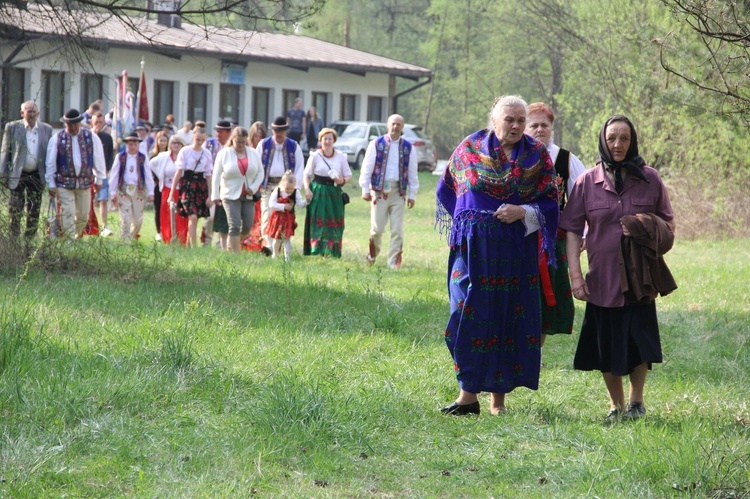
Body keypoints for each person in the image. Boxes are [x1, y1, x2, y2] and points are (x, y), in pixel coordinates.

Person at [435, 95, 559, 416]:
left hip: (513, 252)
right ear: (494, 120)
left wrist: (522, 211)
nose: (516, 126)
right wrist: (469, 223)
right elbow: (448, 188)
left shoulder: (537, 156)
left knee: (506, 318)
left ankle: (491, 401)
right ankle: (469, 390)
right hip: (473, 252)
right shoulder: (469, 148)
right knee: (464, 314)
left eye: (521, 120)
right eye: (510, 120)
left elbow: (550, 201)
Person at [559, 114, 676, 421]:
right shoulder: (587, 182)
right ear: (603, 140)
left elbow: (669, 223)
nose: (618, 144)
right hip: (602, 279)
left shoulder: (650, 178)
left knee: (639, 342)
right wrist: (575, 277)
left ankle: (637, 402)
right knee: (606, 345)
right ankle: (616, 405)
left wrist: (646, 225)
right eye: (612, 138)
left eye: (624, 138)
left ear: (632, 140)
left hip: (640, 279)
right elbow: (572, 229)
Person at [524, 102, 587, 351]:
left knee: (544, 300)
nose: (539, 129)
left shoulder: (566, 159)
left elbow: (582, 200)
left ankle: (535, 351)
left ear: (552, 128)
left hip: (552, 242)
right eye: (534, 125)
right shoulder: (516, 155)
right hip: (520, 237)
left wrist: (584, 234)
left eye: (544, 125)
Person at [358, 114, 419, 269]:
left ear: (402, 127)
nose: (395, 127)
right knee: (377, 230)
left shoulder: (408, 147)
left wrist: (412, 194)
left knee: (397, 230)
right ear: (387, 125)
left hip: (398, 192)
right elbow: (367, 167)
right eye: (393, 124)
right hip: (379, 192)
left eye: (398, 124)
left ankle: (393, 263)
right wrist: (365, 188)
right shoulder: (376, 143)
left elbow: (412, 172)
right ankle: (372, 254)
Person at [45, 108, 107, 238]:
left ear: (79, 123)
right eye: (70, 124)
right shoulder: (57, 138)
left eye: (75, 124)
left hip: (84, 182)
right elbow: (50, 162)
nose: (73, 127)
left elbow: (98, 158)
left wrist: (100, 179)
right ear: (65, 124)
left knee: (84, 214)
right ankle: (69, 240)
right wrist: (51, 183)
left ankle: (77, 235)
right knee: (67, 211)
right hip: (64, 183)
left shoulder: (90, 137)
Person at [0, 100, 53, 242]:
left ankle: (29, 239)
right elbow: (5, 152)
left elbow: (49, 153)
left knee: (34, 209)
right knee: (15, 208)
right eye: (28, 111)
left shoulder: (46, 129)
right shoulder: (12, 127)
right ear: (22, 113)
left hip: (37, 174)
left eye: (34, 111)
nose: (32, 114)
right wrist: (3, 175)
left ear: (38, 113)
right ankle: (13, 238)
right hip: (18, 174)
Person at [256, 116, 305, 256]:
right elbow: (257, 166)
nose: (279, 134)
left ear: (286, 131)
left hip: (286, 190)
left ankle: (276, 249)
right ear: (272, 130)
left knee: (283, 221)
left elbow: (300, 168)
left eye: (282, 131)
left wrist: (295, 189)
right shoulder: (263, 144)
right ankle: (269, 247)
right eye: (276, 131)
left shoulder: (294, 146)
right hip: (267, 185)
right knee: (267, 216)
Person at [211, 127, 264, 253]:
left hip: (248, 195)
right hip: (229, 195)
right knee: (234, 225)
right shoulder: (224, 153)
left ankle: (232, 243)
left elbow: (260, 173)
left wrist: (254, 187)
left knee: (247, 226)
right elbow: (216, 174)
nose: (241, 145)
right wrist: (215, 195)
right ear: (233, 139)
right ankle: (236, 254)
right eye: (238, 141)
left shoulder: (253, 153)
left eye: (243, 142)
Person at [303, 127, 352, 258]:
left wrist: (342, 180)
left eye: (330, 139)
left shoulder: (341, 157)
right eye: (325, 139)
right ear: (320, 140)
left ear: (334, 140)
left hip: (334, 192)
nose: (327, 141)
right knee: (318, 220)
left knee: (333, 220)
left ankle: (332, 251)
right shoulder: (315, 156)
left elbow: (348, 175)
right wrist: (307, 189)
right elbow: (306, 175)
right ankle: (317, 249)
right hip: (318, 191)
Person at [167, 123, 213, 248]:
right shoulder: (185, 151)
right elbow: (179, 172)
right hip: (187, 185)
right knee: (192, 216)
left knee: (196, 217)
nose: (200, 142)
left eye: (202, 140)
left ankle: (188, 244)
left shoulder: (207, 154)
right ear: (193, 136)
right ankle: (194, 247)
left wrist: (210, 195)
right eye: (198, 139)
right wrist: (171, 194)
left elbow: (209, 175)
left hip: (200, 186)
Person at [109, 131, 155, 241]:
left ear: (138, 144)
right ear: (126, 144)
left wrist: (151, 192)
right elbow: (114, 175)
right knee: (125, 218)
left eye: (135, 144)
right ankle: (125, 242)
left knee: (138, 220)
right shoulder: (120, 157)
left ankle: (132, 236)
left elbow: (148, 175)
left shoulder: (142, 158)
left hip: (138, 189)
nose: (133, 147)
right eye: (130, 144)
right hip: (123, 189)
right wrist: (113, 192)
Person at [151, 135, 188, 245]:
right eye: (173, 143)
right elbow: (151, 164)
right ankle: (167, 238)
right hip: (167, 189)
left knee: (180, 216)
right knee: (165, 214)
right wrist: (160, 176)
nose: (175, 145)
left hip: (181, 190)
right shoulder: (163, 156)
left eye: (178, 143)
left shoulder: (185, 157)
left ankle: (181, 240)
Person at [203, 120, 233, 249]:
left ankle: (220, 243)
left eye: (220, 131)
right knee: (210, 215)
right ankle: (207, 240)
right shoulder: (209, 144)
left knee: (225, 214)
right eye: (216, 131)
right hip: (211, 182)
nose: (217, 134)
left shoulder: (232, 147)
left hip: (227, 183)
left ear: (228, 133)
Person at [267, 170, 307, 260]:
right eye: (287, 189)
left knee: (287, 238)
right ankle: (275, 254)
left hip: (289, 219)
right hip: (278, 218)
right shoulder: (277, 191)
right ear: (282, 184)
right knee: (277, 238)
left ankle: (287, 258)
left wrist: (307, 201)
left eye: (291, 189)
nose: (289, 191)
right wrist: (284, 206)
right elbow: (271, 204)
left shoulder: (295, 192)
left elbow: (300, 204)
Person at [242, 121, 268, 252]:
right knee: (249, 217)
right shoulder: (246, 149)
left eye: (261, 136)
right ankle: (246, 243)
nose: (258, 139)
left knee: (260, 216)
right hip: (248, 186)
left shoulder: (266, 149)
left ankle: (258, 244)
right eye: (256, 136)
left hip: (262, 186)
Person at [90, 112, 115, 237]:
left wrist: (107, 169)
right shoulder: (87, 136)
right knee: (88, 201)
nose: (98, 125)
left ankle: (104, 226)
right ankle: (88, 225)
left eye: (101, 122)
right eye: (96, 122)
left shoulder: (107, 138)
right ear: (91, 122)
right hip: (88, 174)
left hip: (102, 174)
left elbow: (110, 156)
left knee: (103, 200)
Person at [149, 130, 169, 241]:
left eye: (164, 141)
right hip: (156, 185)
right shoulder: (153, 155)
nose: (162, 143)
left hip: (167, 185)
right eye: (160, 140)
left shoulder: (170, 155)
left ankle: (166, 229)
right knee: (158, 208)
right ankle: (159, 231)